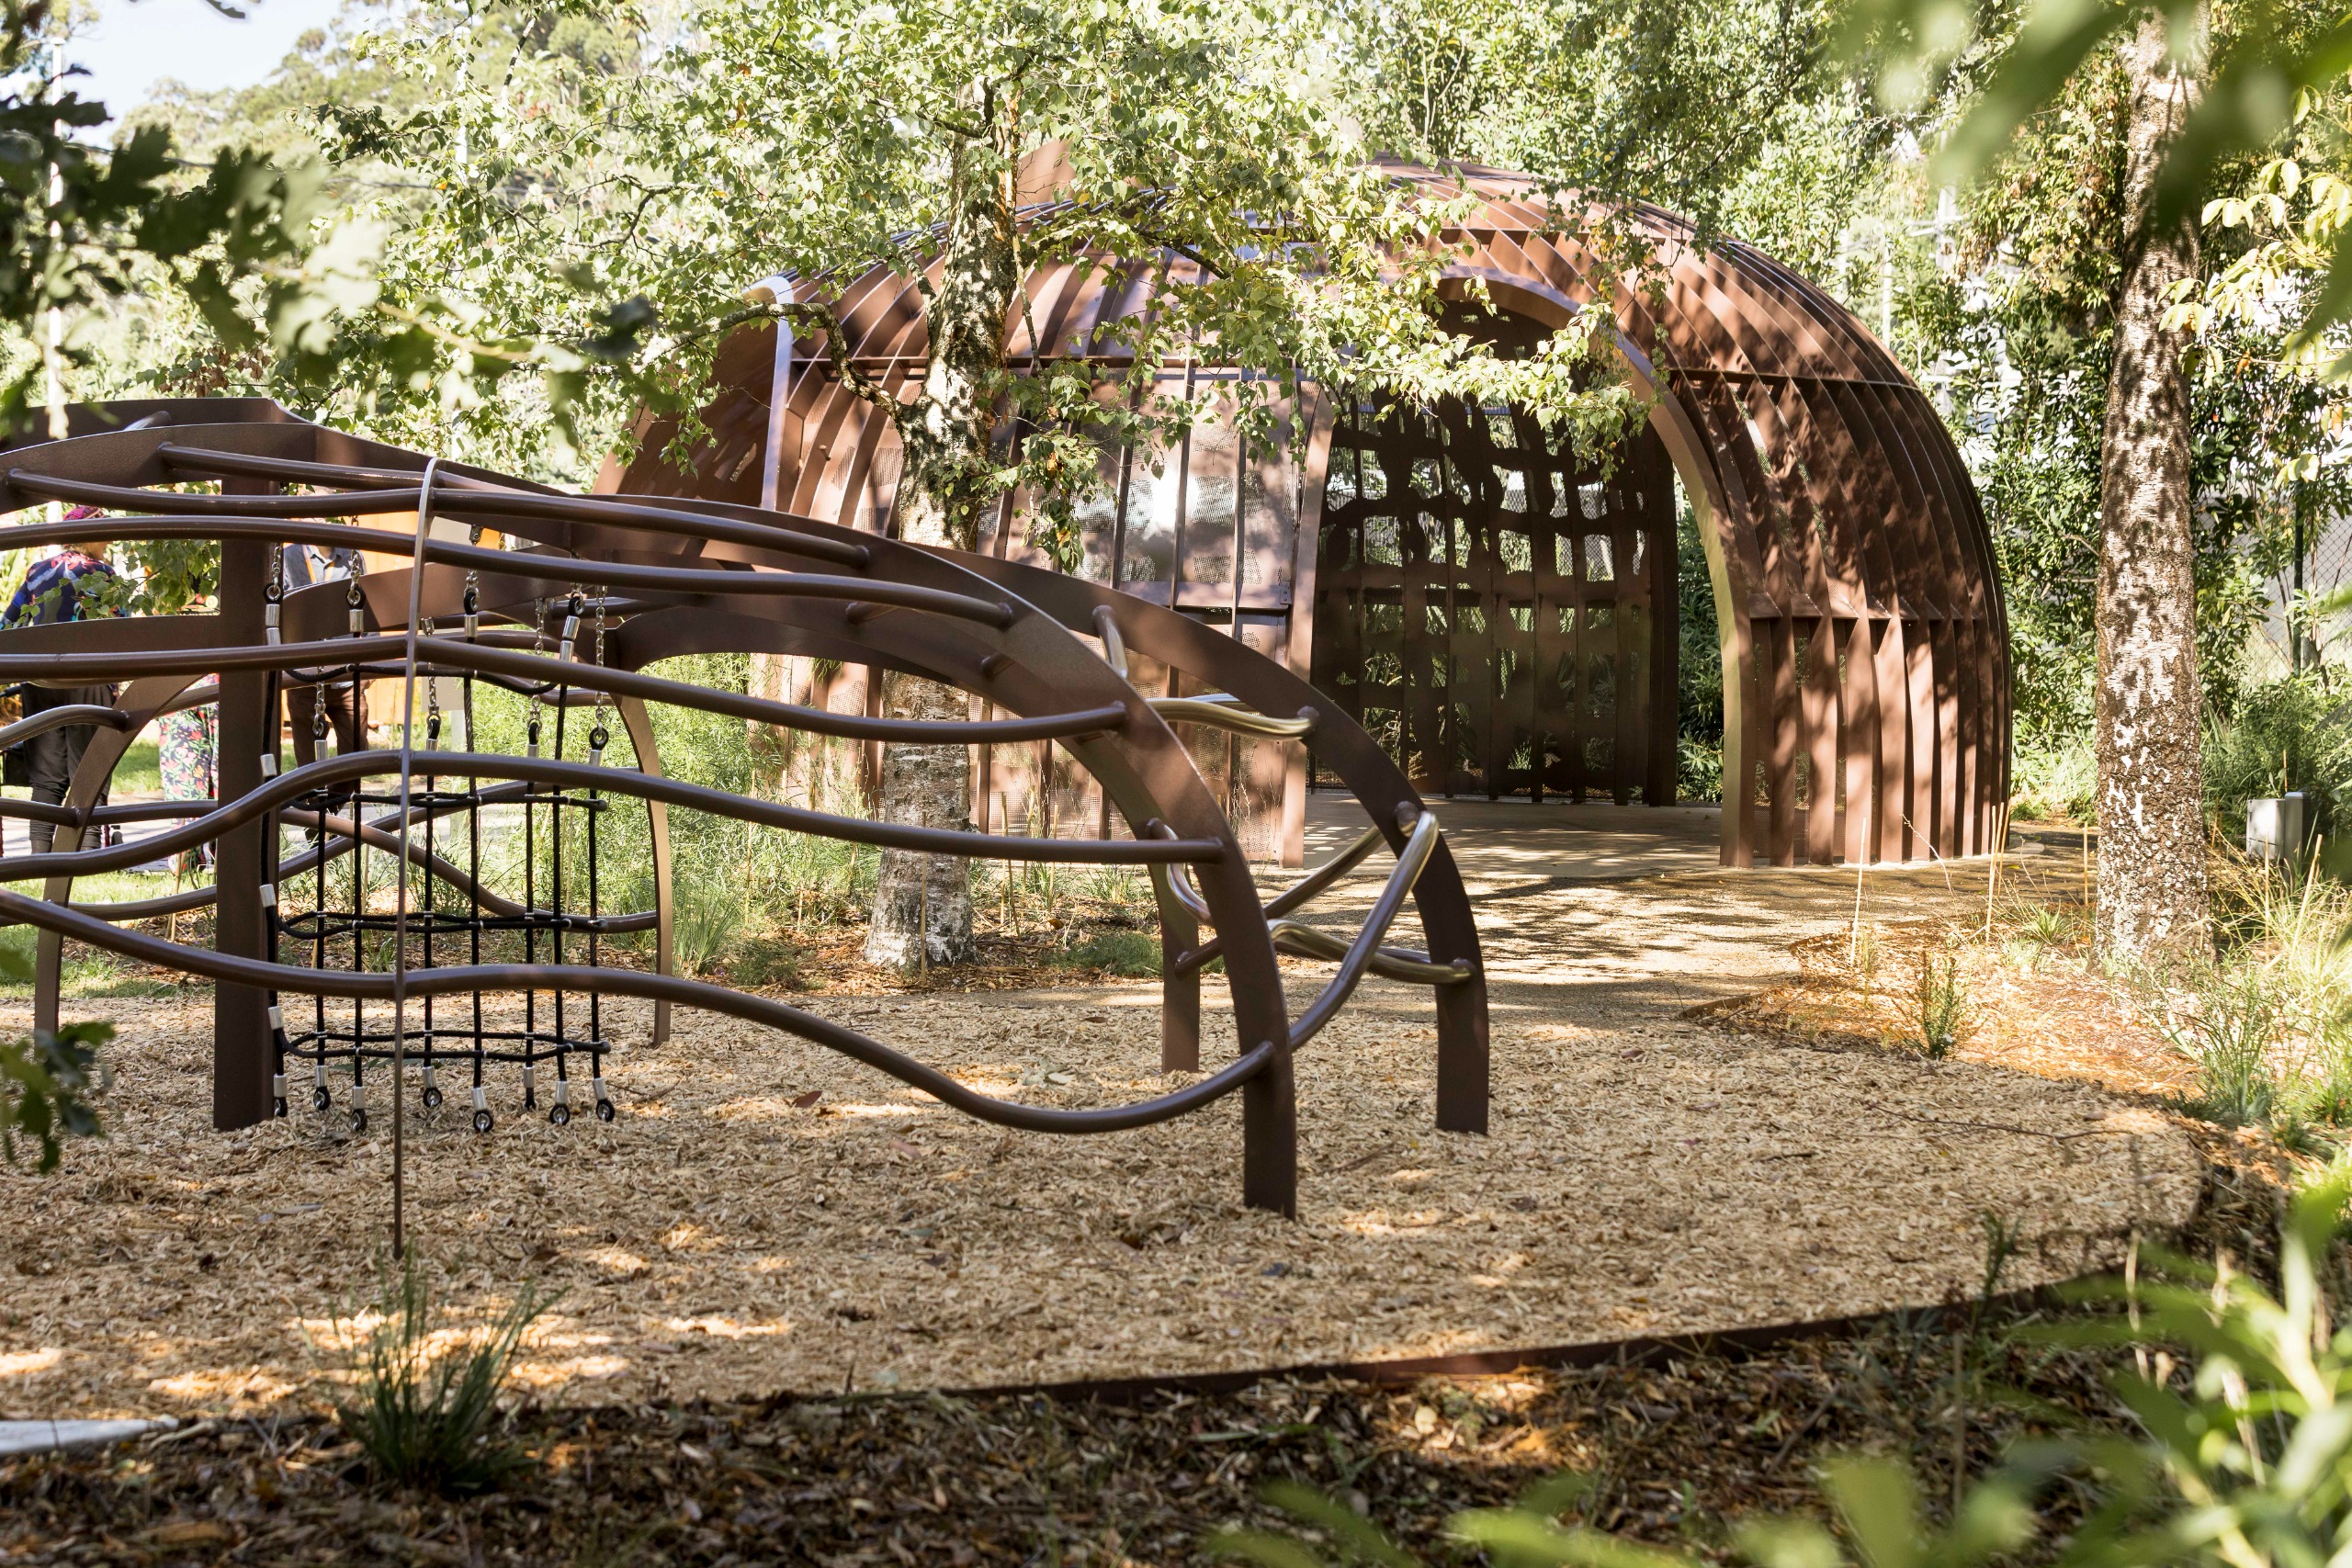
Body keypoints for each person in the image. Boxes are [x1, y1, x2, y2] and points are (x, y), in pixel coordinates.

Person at [3, 523, 124, 853]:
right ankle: (88, 851)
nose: (110, 538)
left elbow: (9, 623)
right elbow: (123, 626)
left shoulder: (37, 570)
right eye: (104, 531)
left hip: (39, 676)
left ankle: (39, 852)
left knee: (46, 772)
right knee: (89, 767)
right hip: (87, 676)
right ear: (89, 536)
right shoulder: (102, 573)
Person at [282, 541, 367, 765]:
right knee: (307, 761)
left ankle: (337, 801)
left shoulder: (353, 556)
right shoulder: (288, 558)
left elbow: (367, 608)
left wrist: (368, 666)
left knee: (356, 752)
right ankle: (313, 800)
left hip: (345, 674)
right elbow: (276, 613)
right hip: (304, 676)